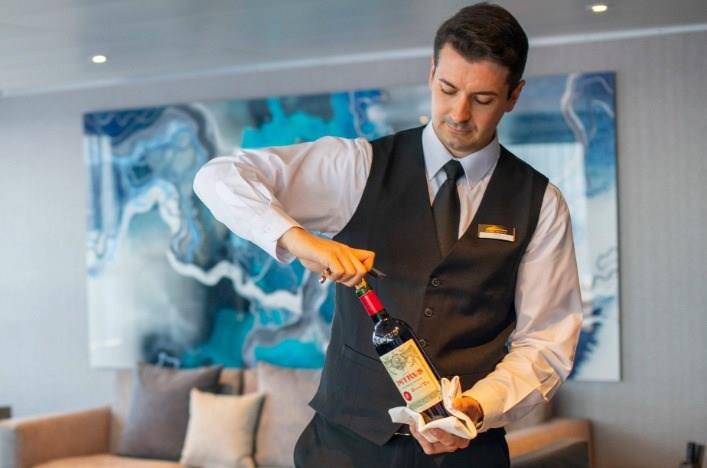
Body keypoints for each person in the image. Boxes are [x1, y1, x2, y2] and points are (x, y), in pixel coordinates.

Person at [193, 3, 582, 467]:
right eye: (448, 89)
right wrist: (300, 240)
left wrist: (477, 409)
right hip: (342, 449)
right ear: (431, 73)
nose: (459, 114)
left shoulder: (541, 202)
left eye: (482, 99)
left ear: (513, 95)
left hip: (467, 454)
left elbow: (546, 343)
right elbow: (219, 176)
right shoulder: (357, 167)